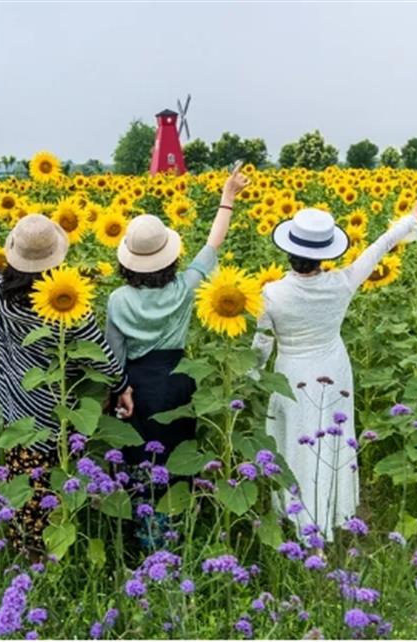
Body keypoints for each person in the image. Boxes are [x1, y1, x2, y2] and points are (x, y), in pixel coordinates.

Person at [0, 168, 133, 558]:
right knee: (65, 480)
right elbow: (100, 352)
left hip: (19, 413)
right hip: (64, 417)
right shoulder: (69, 306)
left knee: (26, 488)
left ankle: (30, 553)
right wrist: (121, 386)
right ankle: (62, 551)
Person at [252, 185, 417, 541]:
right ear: (325, 254)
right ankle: (328, 514)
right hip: (333, 369)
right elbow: (379, 247)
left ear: (289, 250)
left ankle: (295, 516)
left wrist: (252, 379)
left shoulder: (271, 294)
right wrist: (413, 215)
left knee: (295, 440)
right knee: (330, 440)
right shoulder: (342, 283)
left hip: (291, 374)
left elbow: (261, 345)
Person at [104, 164, 248, 549]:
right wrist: (227, 197)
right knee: (175, 454)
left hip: (134, 383)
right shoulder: (185, 287)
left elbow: (113, 351)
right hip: (177, 378)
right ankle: (172, 534)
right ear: (169, 258)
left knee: (138, 452)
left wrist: (118, 390)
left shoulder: (118, 299)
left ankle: (141, 531)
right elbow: (212, 245)